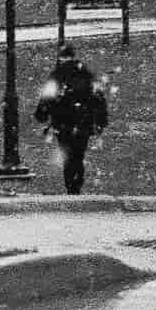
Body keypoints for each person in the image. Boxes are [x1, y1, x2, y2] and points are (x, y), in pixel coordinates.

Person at [32, 42, 111, 195]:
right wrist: (100, 121)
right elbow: (98, 98)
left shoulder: (57, 75)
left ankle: (71, 187)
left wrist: (42, 115)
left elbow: (47, 98)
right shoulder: (86, 74)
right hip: (83, 123)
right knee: (78, 155)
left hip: (62, 123)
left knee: (67, 154)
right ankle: (77, 185)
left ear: (61, 58)